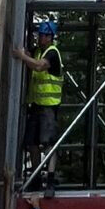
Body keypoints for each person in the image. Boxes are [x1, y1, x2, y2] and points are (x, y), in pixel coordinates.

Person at [12, 16, 64, 192]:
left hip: (49, 106)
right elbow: (30, 56)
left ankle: (50, 179)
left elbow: (39, 67)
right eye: (39, 35)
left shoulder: (52, 52)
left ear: (50, 37)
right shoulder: (39, 51)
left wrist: (21, 56)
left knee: (49, 143)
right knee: (32, 142)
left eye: (43, 35)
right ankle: (35, 178)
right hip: (35, 105)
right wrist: (24, 54)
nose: (40, 38)